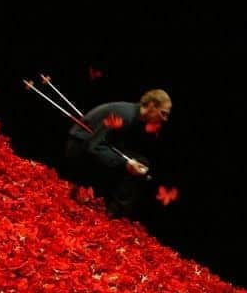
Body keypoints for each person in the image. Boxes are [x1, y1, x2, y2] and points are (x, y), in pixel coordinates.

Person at [64, 89, 172, 219]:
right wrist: (125, 163)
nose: (165, 119)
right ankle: (112, 214)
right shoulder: (125, 115)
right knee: (132, 166)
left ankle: (113, 210)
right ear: (151, 106)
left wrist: (127, 161)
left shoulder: (135, 117)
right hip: (79, 148)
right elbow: (94, 146)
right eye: (163, 114)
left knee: (141, 163)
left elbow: (112, 145)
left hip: (91, 146)